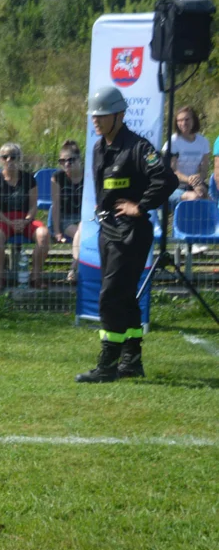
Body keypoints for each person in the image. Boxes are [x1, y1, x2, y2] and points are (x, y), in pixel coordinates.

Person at [76, 86, 177, 383]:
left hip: (131, 233)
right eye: (94, 115)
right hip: (107, 231)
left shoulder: (138, 148)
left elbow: (166, 179)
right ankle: (131, 360)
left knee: (110, 296)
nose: (96, 120)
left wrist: (141, 206)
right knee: (125, 296)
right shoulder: (98, 148)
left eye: (102, 115)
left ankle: (107, 364)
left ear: (119, 115)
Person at [0, 142, 49, 290]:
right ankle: (0, 277)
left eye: (13, 157)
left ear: (19, 159)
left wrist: (26, 221)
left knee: (44, 234)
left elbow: (34, 205)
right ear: (0, 160)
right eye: (5, 157)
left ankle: (35, 276)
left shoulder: (29, 179)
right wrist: (10, 223)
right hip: (2, 219)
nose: (9, 160)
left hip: (25, 219)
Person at [49, 140, 85, 282]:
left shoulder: (89, 175)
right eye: (62, 161)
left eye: (70, 160)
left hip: (85, 217)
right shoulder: (57, 178)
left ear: (79, 159)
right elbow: (56, 205)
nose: (66, 164)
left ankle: (74, 268)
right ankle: (75, 269)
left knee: (82, 230)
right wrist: (57, 231)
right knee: (80, 234)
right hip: (65, 218)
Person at [163, 106, 211, 204]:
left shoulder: (203, 142)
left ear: (194, 120)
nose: (183, 123)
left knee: (208, 198)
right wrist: (189, 180)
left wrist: (198, 178)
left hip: (196, 183)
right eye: (179, 120)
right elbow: (173, 171)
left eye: (187, 119)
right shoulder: (173, 142)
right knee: (195, 197)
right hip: (175, 184)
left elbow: (204, 170)